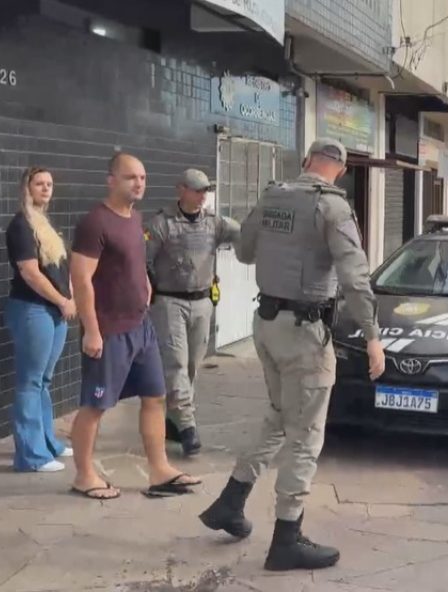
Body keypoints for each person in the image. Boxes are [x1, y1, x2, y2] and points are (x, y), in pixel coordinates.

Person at [198, 138, 385, 571]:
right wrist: (372, 335)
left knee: (281, 416)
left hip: (265, 324)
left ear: (306, 162)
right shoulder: (333, 208)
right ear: (340, 169)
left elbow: (244, 251)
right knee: (306, 434)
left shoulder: (273, 196)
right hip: (304, 333)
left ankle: (231, 500)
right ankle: (287, 538)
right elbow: (354, 276)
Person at [68, 153, 201, 500]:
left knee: (156, 398)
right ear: (111, 180)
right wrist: (92, 330)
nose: (139, 183)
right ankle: (84, 475)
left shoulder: (136, 218)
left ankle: (159, 470)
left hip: (142, 327)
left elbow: (136, 263)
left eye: (142, 177)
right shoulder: (95, 223)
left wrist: (145, 285)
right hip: (109, 330)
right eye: (130, 177)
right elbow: (81, 279)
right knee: (95, 405)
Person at [145, 169, 240, 456]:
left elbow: (244, 235)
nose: (202, 197)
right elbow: (142, 259)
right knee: (175, 362)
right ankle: (188, 426)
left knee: (190, 366)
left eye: (205, 191)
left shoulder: (214, 223)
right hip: (169, 302)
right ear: (181, 190)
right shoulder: (162, 224)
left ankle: (174, 420)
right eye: (197, 190)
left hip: (202, 301)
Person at [4, 167, 77, 473]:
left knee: (43, 380)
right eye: (39, 184)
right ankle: (30, 456)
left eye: (49, 184)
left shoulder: (43, 223)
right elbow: (30, 272)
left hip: (54, 311)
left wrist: (69, 298)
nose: (46, 188)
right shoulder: (22, 225)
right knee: (30, 381)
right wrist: (62, 300)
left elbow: (61, 268)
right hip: (32, 309)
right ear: (27, 187)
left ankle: (47, 443)